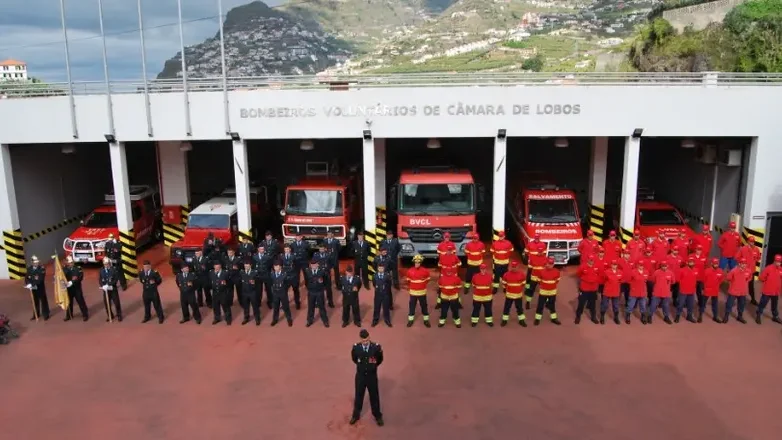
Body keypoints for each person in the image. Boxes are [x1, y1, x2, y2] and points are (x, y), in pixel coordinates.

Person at [349, 329, 384, 427]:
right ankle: (356, 415)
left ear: (369, 338)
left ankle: (377, 416)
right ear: (360, 340)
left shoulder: (376, 348)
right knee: (359, 396)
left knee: (374, 396)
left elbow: (380, 359)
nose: (365, 343)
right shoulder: (356, 348)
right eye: (363, 341)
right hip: (360, 377)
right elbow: (354, 359)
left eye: (367, 340)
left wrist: (372, 367)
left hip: (371, 376)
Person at [723, 258, 752, 324]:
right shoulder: (734, 271)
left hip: (743, 291)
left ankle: (740, 317)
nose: (744, 265)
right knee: (729, 304)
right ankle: (726, 316)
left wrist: (745, 282)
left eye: (745, 264)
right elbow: (728, 278)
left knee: (741, 304)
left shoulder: (748, 271)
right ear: (739, 264)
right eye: (742, 263)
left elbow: (749, 278)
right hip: (734, 290)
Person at [406, 254, 431, 327]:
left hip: (422, 292)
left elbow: (428, 279)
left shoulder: (425, 271)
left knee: (424, 306)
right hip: (413, 293)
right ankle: (410, 320)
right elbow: (408, 281)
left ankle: (426, 320)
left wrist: (422, 285)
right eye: (416, 262)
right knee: (412, 306)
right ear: (414, 262)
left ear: (420, 263)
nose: (417, 264)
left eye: (418, 262)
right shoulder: (410, 271)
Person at [535, 257, 562, 325]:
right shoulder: (541, 271)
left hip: (552, 292)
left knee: (552, 306)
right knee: (540, 306)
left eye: (551, 264)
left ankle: (554, 319)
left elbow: (557, 280)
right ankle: (537, 319)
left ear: (553, 264)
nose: (550, 265)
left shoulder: (557, 272)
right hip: (543, 292)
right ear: (546, 264)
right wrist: (545, 285)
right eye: (548, 264)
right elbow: (538, 280)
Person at [756, 254, 782, 324]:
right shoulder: (768, 268)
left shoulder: (781, 269)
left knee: (774, 305)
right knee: (762, 304)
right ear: (774, 261)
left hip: (775, 292)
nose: (779, 263)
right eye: (777, 261)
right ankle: (758, 315)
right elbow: (761, 278)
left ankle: (775, 317)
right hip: (767, 291)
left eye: (780, 262)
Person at [523, 233, 546, 308]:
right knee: (530, 286)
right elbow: (526, 252)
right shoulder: (530, 245)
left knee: (545, 289)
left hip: (541, 276)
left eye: (537, 238)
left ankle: (547, 302)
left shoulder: (545, 258)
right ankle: (528, 301)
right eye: (535, 238)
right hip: (534, 275)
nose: (539, 252)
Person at [500, 261, 527, 327]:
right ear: (511, 267)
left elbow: (523, 283)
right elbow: (504, 283)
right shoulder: (506, 274)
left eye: (515, 267)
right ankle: (504, 320)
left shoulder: (522, 274)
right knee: (507, 308)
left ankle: (521, 320)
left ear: (518, 267)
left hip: (518, 295)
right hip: (509, 295)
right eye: (513, 267)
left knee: (519, 308)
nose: (514, 268)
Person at [575, 257, 600, 325]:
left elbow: (599, 274)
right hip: (584, 288)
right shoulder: (582, 266)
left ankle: (593, 317)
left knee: (593, 304)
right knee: (581, 303)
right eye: (590, 260)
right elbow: (578, 274)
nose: (592, 261)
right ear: (588, 259)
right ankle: (578, 316)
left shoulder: (597, 266)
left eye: (593, 260)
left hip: (593, 289)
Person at [63, 257, 89, 321]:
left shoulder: (78, 268)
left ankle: (85, 314)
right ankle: (69, 315)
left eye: (71, 263)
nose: (70, 264)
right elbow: (62, 277)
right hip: (69, 289)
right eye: (69, 263)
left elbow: (80, 277)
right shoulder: (64, 269)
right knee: (69, 302)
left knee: (80, 301)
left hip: (77, 288)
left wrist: (72, 282)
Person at [24, 256, 50, 321]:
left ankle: (46, 314)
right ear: (32, 262)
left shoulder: (41, 269)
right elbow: (27, 278)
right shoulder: (29, 269)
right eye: (35, 262)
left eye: (37, 262)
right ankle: (36, 314)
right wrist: (28, 284)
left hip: (40, 288)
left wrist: (32, 283)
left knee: (43, 301)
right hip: (33, 288)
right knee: (35, 301)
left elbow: (40, 279)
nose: (36, 263)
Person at [305, 260, 329, 328]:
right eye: (312, 265)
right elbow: (306, 281)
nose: (313, 266)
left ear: (318, 264)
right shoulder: (307, 271)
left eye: (315, 265)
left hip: (319, 291)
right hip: (311, 291)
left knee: (322, 307)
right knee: (310, 307)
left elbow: (326, 280)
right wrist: (309, 288)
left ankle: (325, 321)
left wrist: (323, 287)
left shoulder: (322, 271)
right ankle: (309, 320)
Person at [738, 236, 761, 304]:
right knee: (742, 285)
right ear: (748, 241)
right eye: (750, 241)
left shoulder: (756, 249)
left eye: (753, 242)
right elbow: (737, 257)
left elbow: (758, 258)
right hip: (743, 270)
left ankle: (753, 299)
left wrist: (754, 260)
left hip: (751, 271)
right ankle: (740, 299)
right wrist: (741, 264)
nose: (752, 243)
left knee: (751, 286)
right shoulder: (743, 249)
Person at [270, 260, 293, 327]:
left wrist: (284, 289)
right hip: (275, 293)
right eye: (274, 266)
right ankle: (275, 319)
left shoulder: (285, 274)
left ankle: (289, 319)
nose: (275, 268)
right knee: (276, 307)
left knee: (286, 307)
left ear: (280, 267)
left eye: (277, 266)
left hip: (283, 293)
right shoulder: (272, 274)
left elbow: (288, 283)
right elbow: (271, 282)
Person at [701, 258, 724, 323]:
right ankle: (700, 315)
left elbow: (721, 280)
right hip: (707, 289)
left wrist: (717, 285)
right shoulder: (707, 271)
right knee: (703, 303)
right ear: (711, 264)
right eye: (715, 264)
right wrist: (704, 288)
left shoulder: (720, 271)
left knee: (715, 304)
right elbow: (703, 280)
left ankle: (715, 317)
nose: (716, 265)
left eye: (717, 264)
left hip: (715, 290)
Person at [675, 258, 698, 323]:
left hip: (692, 291)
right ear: (687, 263)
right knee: (680, 304)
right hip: (683, 290)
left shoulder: (696, 270)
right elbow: (678, 279)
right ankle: (678, 316)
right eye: (690, 262)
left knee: (690, 304)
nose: (692, 263)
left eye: (693, 262)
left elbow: (696, 278)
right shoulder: (681, 270)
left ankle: (689, 316)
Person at [490, 230, 513, 294]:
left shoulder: (508, 243)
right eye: (500, 236)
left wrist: (505, 255)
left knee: (505, 276)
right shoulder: (495, 243)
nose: (501, 237)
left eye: (502, 236)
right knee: (496, 276)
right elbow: (492, 251)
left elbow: (511, 250)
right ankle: (495, 288)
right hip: (497, 262)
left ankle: (505, 287)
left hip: (505, 262)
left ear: (504, 236)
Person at [600, 260, 623, 325]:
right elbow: (603, 279)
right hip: (607, 291)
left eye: (615, 264)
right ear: (611, 265)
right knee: (604, 305)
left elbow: (620, 281)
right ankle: (602, 317)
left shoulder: (620, 272)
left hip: (616, 291)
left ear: (617, 265)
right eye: (613, 264)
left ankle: (616, 317)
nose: (614, 266)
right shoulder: (606, 272)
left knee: (616, 306)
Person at [210, 261, 232, 325]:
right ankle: (217, 318)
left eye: (218, 267)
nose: (217, 268)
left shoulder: (226, 273)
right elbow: (210, 281)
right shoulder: (211, 272)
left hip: (223, 293)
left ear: (220, 266)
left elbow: (230, 282)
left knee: (225, 306)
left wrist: (226, 284)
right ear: (214, 267)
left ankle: (228, 319)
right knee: (216, 306)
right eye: (215, 267)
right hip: (215, 293)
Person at [314, 243, 336, 308]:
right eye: (320, 249)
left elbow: (332, 263)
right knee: (319, 289)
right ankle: (318, 302)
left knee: (328, 289)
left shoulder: (328, 255)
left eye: (323, 249)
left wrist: (327, 268)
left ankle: (330, 302)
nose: (321, 250)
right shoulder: (316, 255)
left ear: (325, 249)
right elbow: (313, 263)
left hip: (326, 274)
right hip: (319, 275)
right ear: (319, 249)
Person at [240, 261, 261, 325]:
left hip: (253, 292)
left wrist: (255, 282)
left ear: (251, 265)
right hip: (245, 292)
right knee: (246, 306)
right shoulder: (241, 272)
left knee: (255, 306)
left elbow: (258, 282)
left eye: (248, 265)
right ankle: (246, 318)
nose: (246, 267)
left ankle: (257, 318)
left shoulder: (255, 272)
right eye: (245, 266)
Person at [253, 244, 273, 309]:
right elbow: (253, 266)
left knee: (269, 290)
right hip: (258, 276)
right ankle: (258, 302)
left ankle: (270, 302)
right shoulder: (254, 257)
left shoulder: (268, 256)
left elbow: (270, 265)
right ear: (258, 249)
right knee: (258, 290)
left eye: (263, 249)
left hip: (266, 275)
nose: (262, 250)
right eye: (261, 249)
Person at [281, 244, 301, 309]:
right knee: (284, 291)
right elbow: (280, 266)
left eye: (287, 249)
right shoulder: (281, 256)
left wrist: (296, 275)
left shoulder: (294, 256)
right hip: (285, 277)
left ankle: (297, 303)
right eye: (285, 249)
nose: (286, 250)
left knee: (296, 290)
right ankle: (285, 304)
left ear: (290, 249)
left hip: (293, 276)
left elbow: (298, 266)